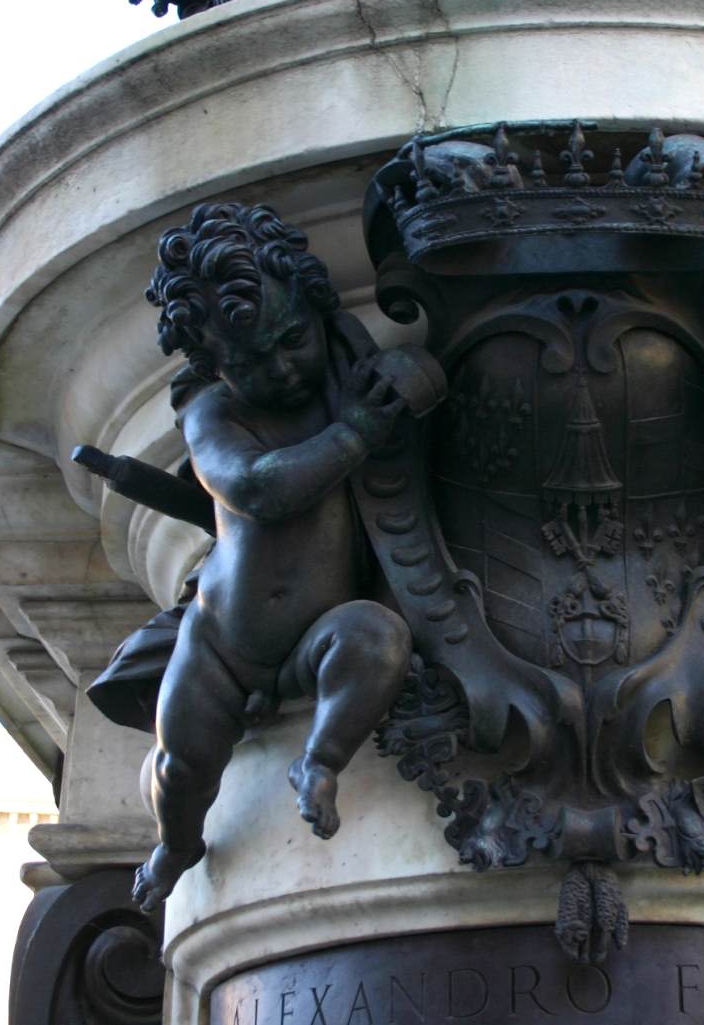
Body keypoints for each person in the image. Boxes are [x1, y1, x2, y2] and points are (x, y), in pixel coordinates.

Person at [130, 202, 417, 911]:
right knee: (183, 762)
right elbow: (256, 487)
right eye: (253, 360)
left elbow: (414, 391)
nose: (283, 368)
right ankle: (177, 841)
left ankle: (319, 761)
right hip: (222, 646)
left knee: (378, 642)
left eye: (293, 340)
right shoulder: (215, 414)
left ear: (318, 309)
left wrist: (410, 380)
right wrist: (355, 435)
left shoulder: (347, 371)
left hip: (321, 633)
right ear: (213, 365)